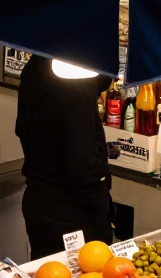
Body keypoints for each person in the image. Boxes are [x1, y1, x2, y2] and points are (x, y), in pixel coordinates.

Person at [16, 54, 115, 258]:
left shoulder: (36, 65)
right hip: (75, 214)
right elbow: (80, 163)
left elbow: (21, 128)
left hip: (40, 204)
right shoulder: (77, 81)